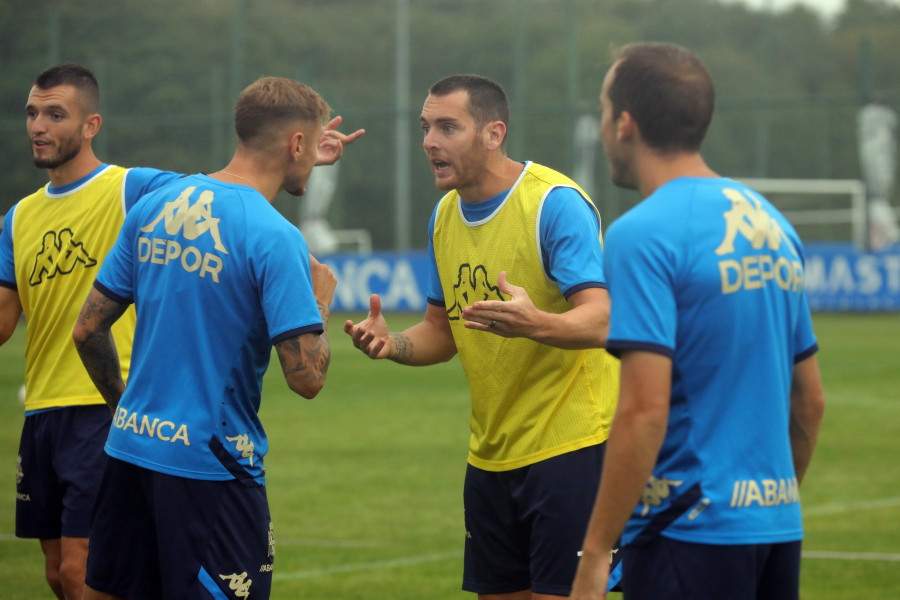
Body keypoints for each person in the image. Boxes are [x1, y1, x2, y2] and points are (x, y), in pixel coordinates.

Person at [71, 76, 360, 600]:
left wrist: (123, 405)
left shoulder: (158, 202)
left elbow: (88, 328)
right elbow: (307, 379)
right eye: (310, 144)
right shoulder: (274, 237)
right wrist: (319, 302)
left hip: (129, 449)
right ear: (298, 144)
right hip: (211, 466)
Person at [345, 74, 620, 599]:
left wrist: (535, 322)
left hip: (571, 451)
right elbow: (439, 333)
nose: (430, 141)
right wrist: (391, 343)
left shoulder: (554, 204)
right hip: (490, 457)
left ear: (494, 133)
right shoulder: (444, 216)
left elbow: (603, 320)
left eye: (448, 127)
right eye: (426, 127)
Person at [570, 42, 826, 600]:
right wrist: (763, 510)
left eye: (603, 109)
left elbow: (643, 411)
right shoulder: (773, 225)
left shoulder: (643, 233)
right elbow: (809, 402)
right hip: (775, 529)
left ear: (626, 123)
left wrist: (594, 557)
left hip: (686, 529)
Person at [0, 62, 184, 600]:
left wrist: (285, 159)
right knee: (59, 576)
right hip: (41, 415)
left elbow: (215, 194)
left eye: (55, 114)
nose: (38, 124)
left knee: (86, 574)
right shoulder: (17, 219)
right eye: (32, 112)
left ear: (90, 125)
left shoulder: (132, 188)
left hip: (105, 407)